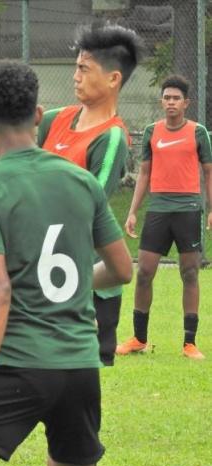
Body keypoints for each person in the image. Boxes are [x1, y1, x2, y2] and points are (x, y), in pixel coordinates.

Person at [0, 61, 133, 466]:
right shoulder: (82, 182)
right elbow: (122, 270)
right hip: (79, 367)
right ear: (38, 116)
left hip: (20, 365)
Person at [37, 22, 143, 366]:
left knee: (75, 377)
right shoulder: (53, 119)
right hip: (38, 258)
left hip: (81, 272)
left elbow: (89, 204)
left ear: (113, 79)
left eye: (84, 68)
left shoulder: (112, 137)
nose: (75, 76)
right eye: (76, 67)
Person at [120, 74, 212, 360]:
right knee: (145, 271)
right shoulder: (151, 132)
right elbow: (144, 173)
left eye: (176, 98)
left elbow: (209, 173)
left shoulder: (199, 133)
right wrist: (133, 211)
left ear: (186, 103)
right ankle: (139, 338)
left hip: (187, 211)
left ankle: (189, 343)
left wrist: (210, 209)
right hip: (158, 210)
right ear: (162, 101)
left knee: (189, 273)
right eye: (167, 97)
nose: (170, 102)